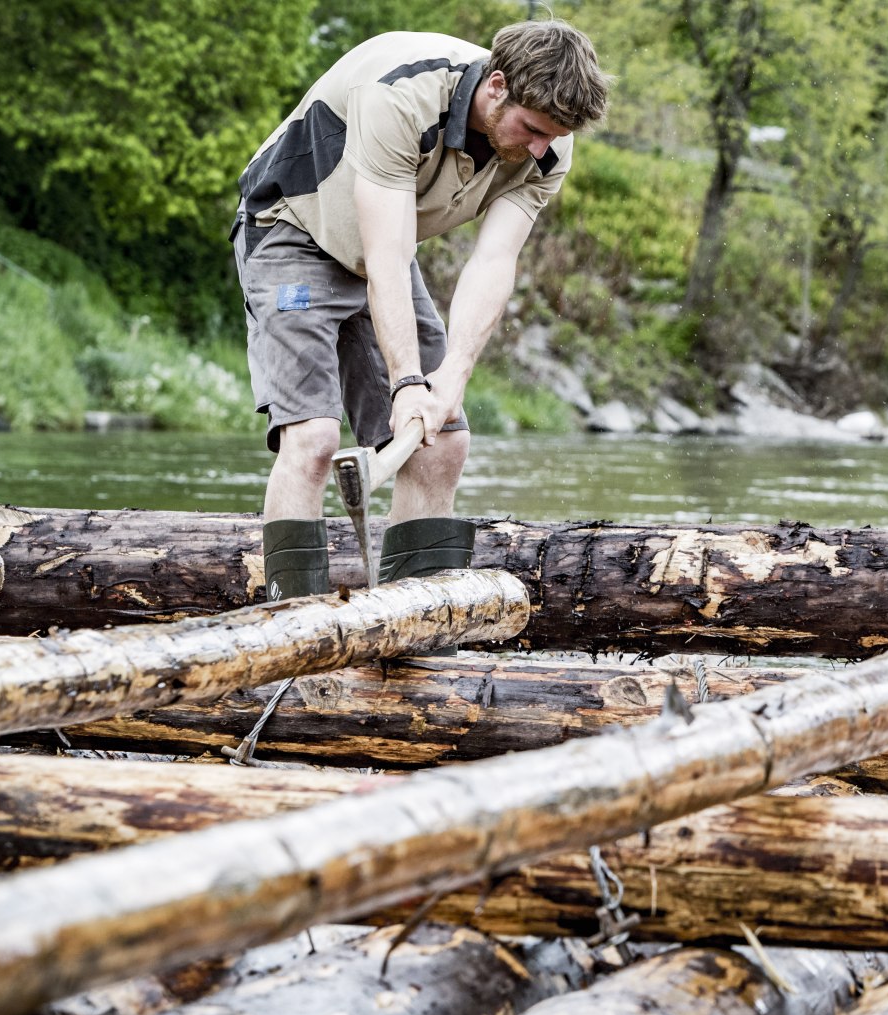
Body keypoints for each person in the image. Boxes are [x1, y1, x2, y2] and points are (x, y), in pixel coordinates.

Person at [234, 21, 608, 602]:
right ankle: (293, 636)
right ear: (498, 86)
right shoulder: (402, 95)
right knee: (311, 438)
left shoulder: (550, 143)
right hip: (294, 228)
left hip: (384, 246)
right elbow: (384, 256)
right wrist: (407, 381)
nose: (542, 148)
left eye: (553, 137)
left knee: (443, 443)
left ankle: (413, 639)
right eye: (533, 129)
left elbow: (492, 262)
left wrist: (450, 377)